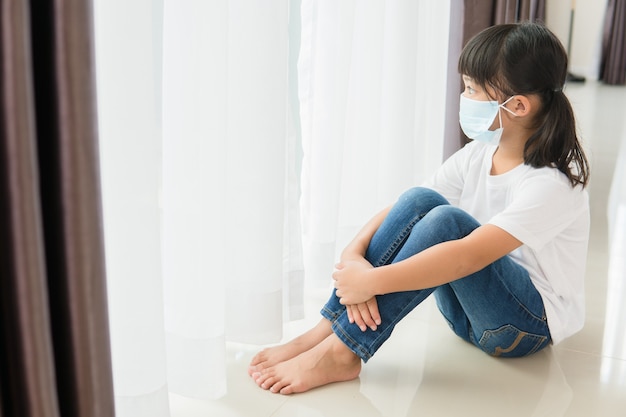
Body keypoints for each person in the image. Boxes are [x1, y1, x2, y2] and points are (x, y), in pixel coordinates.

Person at [248, 22, 590, 395]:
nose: (464, 95)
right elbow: (407, 206)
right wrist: (354, 255)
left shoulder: (551, 184)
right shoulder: (479, 153)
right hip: (468, 315)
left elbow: (466, 258)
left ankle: (343, 350)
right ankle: (327, 330)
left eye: (472, 89)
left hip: (522, 329)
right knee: (421, 200)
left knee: (449, 221)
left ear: (518, 106)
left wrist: (372, 281)